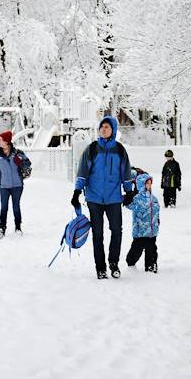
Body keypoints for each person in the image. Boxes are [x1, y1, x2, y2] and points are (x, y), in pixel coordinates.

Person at [70, 115, 133, 280]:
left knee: (116, 231)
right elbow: (82, 171)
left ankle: (113, 263)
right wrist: (77, 192)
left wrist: (129, 192)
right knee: (97, 234)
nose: (104, 130)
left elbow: (125, 172)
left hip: (113, 198)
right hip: (94, 198)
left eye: (107, 127)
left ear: (113, 130)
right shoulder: (92, 149)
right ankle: (101, 268)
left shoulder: (119, 150)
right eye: (102, 127)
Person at [0, 129, 29, 238]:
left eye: (1, 140)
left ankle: (18, 227)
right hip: (4, 186)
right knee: (4, 207)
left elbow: (28, 164)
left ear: (7, 141)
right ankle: (2, 228)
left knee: (16, 206)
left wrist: (19, 161)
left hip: (17, 185)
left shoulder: (17, 153)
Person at [125, 170, 161, 273]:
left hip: (152, 230)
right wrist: (127, 198)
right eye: (147, 183)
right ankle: (130, 260)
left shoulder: (153, 198)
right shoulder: (137, 198)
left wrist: (157, 222)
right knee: (137, 249)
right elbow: (129, 205)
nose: (149, 185)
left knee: (152, 249)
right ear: (141, 184)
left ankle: (151, 265)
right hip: (141, 231)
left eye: (150, 183)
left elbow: (156, 211)